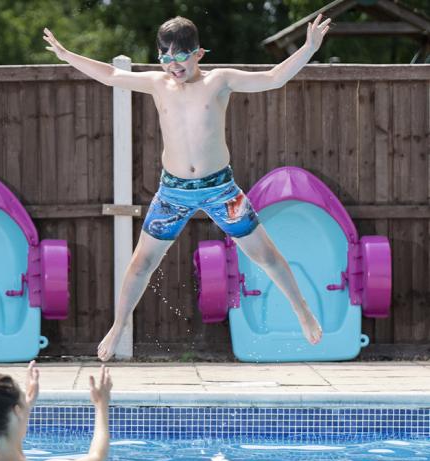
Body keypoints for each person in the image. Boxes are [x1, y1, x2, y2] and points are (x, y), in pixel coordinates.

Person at [43, 15, 332, 361]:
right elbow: (109, 75)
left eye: (180, 57)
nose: (172, 65)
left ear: (199, 54)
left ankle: (301, 310)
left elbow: (273, 78)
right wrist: (66, 54)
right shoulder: (157, 83)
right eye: (165, 57)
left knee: (264, 254)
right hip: (173, 191)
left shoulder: (219, 81)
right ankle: (118, 326)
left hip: (219, 189)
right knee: (140, 263)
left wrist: (309, 48)